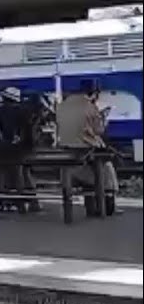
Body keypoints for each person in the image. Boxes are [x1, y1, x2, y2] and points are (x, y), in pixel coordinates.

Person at [56, 79, 118, 214]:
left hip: (66, 150)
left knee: (87, 172)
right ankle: (106, 206)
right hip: (86, 150)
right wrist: (103, 119)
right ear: (93, 93)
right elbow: (99, 130)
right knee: (106, 168)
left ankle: (90, 207)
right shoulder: (89, 106)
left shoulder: (61, 106)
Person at [0, 87, 39, 208]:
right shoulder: (23, 112)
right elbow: (29, 137)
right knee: (22, 173)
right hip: (18, 153)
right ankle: (26, 202)